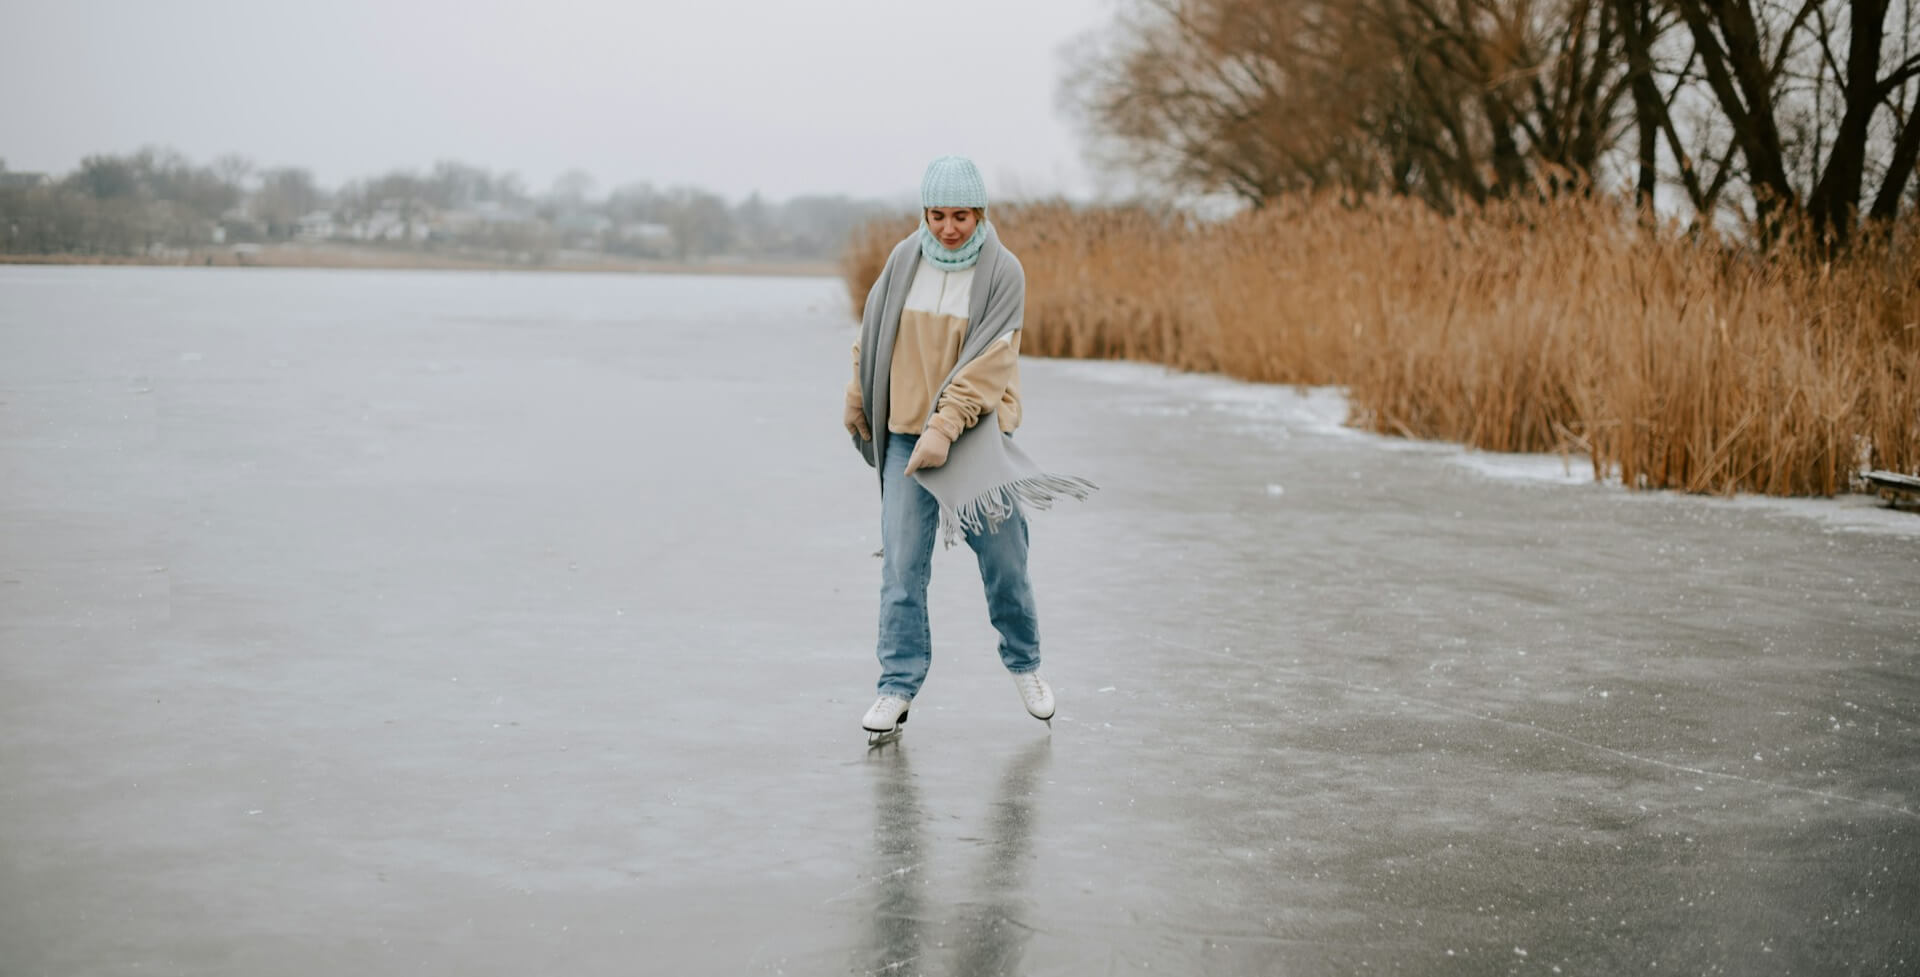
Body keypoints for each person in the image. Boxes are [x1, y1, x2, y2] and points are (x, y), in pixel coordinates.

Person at [844, 155, 1093, 743]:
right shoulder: (904, 260)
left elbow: (989, 366)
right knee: (903, 568)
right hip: (905, 432)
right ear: (924, 213)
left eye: (960, 215)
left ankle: (1025, 663)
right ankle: (896, 687)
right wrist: (858, 393)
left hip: (974, 434)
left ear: (980, 213)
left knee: (1005, 559)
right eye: (937, 215)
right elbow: (872, 333)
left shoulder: (1003, 272)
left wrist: (944, 427)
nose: (948, 228)